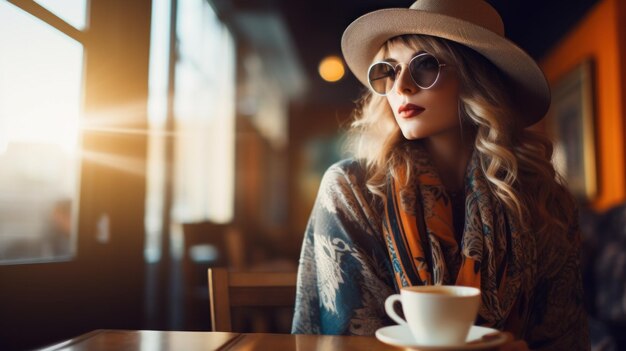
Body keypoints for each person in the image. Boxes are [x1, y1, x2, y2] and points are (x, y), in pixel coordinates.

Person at [291, 0, 590, 349]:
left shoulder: (542, 198)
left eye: (424, 66)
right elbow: (349, 338)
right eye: (388, 70)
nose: (401, 86)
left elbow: (563, 337)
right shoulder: (352, 190)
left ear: (475, 78)